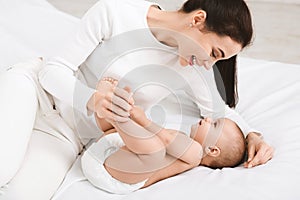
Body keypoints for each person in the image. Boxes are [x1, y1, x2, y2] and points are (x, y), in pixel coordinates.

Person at [0, 0, 274, 199]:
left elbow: (219, 112)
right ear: (197, 20)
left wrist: (252, 135)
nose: (208, 65)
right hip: (34, 91)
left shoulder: (190, 67)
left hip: (68, 136)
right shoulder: (116, 13)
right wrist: (93, 99)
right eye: (214, 52)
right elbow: (53, 70)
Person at [81, 81, 246, 194]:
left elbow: (165, 139)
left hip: (116, 176)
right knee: (138, 139)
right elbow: (156, 139)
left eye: (215, 125)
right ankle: (108, 105)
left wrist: (142, 119)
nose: (209, 119)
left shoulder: (195, 154)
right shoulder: (182, 139)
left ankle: (116, 115)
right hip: (111, 154)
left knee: (155, 150)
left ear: (212, 150)